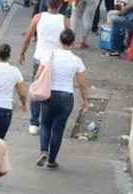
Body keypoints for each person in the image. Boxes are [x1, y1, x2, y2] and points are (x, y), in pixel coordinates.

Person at [37, 29, 88, 169]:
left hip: (49, 94)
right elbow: (82, 84)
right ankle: (51, 160)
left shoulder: (49, 55)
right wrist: (85, 100)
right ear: (72, 43)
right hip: (66, 98)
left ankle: (43, 151)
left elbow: (38, 76)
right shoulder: (77, 60)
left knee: (45, 124)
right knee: (58, 130)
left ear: (60, 40)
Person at [21, 0, 68, 133]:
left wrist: (22, 52)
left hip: (39, 58)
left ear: (47, 4)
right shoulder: (65, 21)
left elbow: (28, 36)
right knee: (52, 89)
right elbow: (68, 40)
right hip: (56, 60)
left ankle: (34, 123)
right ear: (60, 5)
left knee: (36, 89)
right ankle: (48, 120)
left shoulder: (38, 17)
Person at [0, 44, 27, 139]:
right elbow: (22, 92)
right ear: (9, 56)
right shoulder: (15, 71)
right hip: (5, 109)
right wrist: (23, 104)